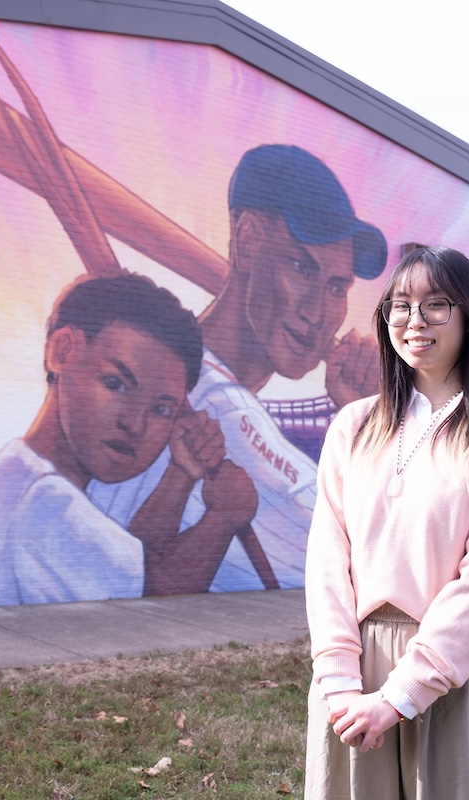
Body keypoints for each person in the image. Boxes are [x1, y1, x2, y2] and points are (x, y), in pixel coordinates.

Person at [88, 144, 388, 592]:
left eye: (335, 287)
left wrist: (361, 414)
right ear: (247, 241)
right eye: (302, 268)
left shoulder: (227, 402)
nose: (318, 312)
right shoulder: (176, 393)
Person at [305, 246, 469, 799]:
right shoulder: (353, 426)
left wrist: (401, 695)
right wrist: (340, 679)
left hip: (462, 669)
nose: (415, 321)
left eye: (436, 305)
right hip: (355, 680)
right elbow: (326, 562)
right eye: (401, 305)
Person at [0, 272, 257, 609]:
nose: (134, 424)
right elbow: (152, 599)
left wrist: (181, 474)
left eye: (161, 409)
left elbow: (134, 561)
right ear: (62, 350)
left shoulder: (16, 473)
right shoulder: (41, 498)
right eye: (115, 384)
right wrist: (225, 516)